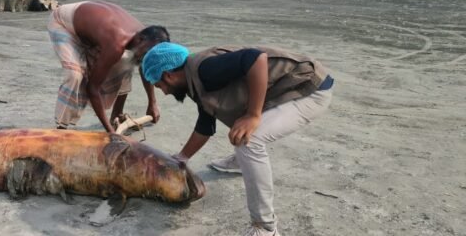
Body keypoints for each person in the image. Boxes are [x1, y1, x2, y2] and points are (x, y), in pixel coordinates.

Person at [141, 42, 334, 236]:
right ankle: (243, 162)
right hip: (284, 91)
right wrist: (181, 158)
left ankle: (265, 227)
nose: (164, 92)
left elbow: (255, 58)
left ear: (169, 75)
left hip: (309, 89)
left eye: (159, 85)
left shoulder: (205, 69)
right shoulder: (195, 81)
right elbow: (205, 126)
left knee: (249, 141)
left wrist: (253, 115)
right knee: (236, 118)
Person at [47, 1, 169, 133]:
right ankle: (61, 128)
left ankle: (117, 114)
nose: (145, 57)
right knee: (75, 75)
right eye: (146, 53)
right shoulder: (117, 43)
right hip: (64, 23)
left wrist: (152, 103)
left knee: (126, 60)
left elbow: (145, 66)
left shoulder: (146, 36)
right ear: (140, 40)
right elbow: (93, 88)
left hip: (91, 28)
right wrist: (110, 132)